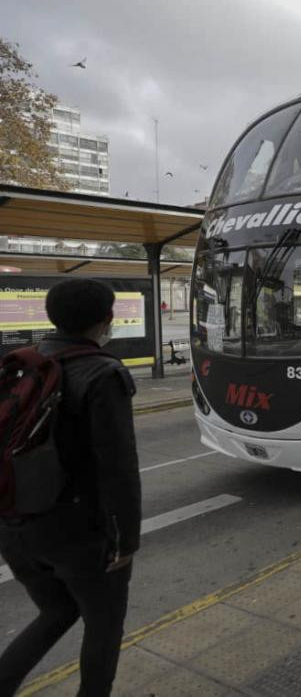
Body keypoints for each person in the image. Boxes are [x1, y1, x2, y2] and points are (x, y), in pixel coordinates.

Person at [0, 279, 141, 697]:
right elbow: (117, 467)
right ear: (107, 319)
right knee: (104, 623)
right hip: (76, 532)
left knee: (58, 609)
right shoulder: (103, 373)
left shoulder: (21, 364)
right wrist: (126, 540)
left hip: (15, 525)